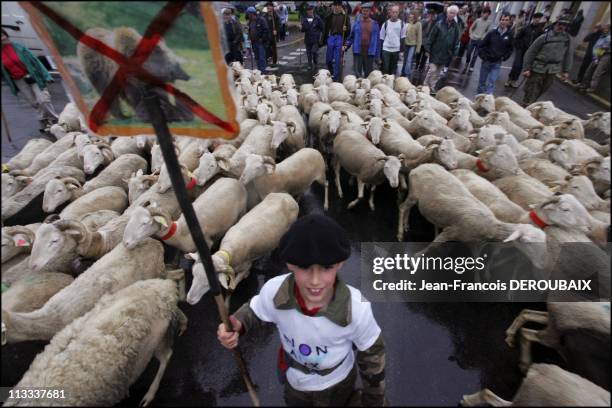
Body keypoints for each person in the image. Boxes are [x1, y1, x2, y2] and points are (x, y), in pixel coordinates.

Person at [217, 214, 386, 406]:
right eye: (305, 268)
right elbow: (255, 311)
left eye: (326, 268)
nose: (315, 280)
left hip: (338, 383)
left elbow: (373, 354)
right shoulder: (275, 292)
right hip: (295, 382)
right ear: (290, 264)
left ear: (339, 264)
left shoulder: (357, 307)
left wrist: (374, 400)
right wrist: (237, 324)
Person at [2, 28, 58, 132]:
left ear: (6, 35)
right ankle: (45, 121)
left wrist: (47, 75)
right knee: (34, 102)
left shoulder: (19, 47)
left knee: (43, 100)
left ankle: (55, 119)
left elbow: (35, 61)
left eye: (2, 35)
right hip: (19, 80)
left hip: (32, 76)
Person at [522, 17, 573, 106]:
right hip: (538, 68)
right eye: (559, 24)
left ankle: (531, 104)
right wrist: (526, 68)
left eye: (564, 25)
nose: (561, 27)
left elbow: (569, 55)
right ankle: (527, 106)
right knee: (531, 90)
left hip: (552, 70)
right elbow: (530, 52)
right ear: (555, 24)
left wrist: (566, 71)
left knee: (543, 89)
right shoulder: (544, 37)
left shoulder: (567, 39)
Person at [423, 5, 460, 93]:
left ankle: (432, 86)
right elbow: (431, 37)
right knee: (432, 70)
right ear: (447, 13)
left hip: (446, 53)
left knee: (438, 72)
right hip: (435, 51)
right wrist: (427, 49)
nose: (452, 15)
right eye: (451, 13)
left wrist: (455, 53)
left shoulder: (456, 27)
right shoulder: (439, 24)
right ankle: (425, 85)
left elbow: (456, 41)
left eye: (454, 14)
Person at [476, 13, 513, 95]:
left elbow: (510, 48)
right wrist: (484, 56)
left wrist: (505, 57)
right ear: (500, 21)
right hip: (487, 61)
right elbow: (481, 45)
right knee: (482, 82)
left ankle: (488, 100)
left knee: (492, 82)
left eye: (506, 20)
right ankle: (479, 99)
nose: (504, 22)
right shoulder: (492, 33)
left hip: (497, 63)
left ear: (509, 22)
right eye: (502, 20)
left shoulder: (509, 35)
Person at [505, 12, 544, 88]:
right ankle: (509, 78)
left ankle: (514, 80)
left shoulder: (540, 31)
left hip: (529, 51)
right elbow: (517, 37)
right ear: (533, 19)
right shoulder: (526, 27)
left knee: (521, 66)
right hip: (520, 49)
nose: (537, 20)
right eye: (536, 18)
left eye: (539, 19)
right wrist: (517, 45)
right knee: (516, 64)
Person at [344, 2, 380, 78]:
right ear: (361, 11)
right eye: (363, 10)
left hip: (370, 53)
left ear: (370, 12)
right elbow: (351, 37)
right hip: (358, 52)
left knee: (369, 75)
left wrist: (377, 56)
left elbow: (377, 42)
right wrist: (346, 45)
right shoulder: (357, 24)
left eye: (367, 11)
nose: (365, 12)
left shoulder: (375, 24)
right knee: (357, 75)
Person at [323, 1, 351, 82]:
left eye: (339, 5)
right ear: (333, 6)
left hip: (340, 37)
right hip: (331, 37)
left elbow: (349, 32)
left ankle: (335, 78)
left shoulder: (345, 16)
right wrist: (323, 40)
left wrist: (346, 29)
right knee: (328, 59)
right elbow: (325, 21)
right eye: (336, 5)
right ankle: (331, 73)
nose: (337, 7)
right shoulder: (330, 16)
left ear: (341, 6)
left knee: (338, 59)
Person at [579, 23, 610, 93]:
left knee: (597, 72)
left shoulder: (608, 38)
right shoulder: (601, 36)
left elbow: (603, 47)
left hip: (604, 55)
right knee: (589, 70)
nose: (603, 30)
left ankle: (591, 87)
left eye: (605, 29)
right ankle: (584, 84)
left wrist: (597, 56)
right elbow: (596, 45)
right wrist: (596, 56)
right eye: (603, 28)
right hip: (597, 54)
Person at [379, 4, 407, 75]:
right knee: (385, 68)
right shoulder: (385, 24)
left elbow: (402, 38)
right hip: (386, 49)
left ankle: (391, 83)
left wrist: (402, 51)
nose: (394, 14)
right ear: (390, 12)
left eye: (396, 12)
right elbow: (381, 38)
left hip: (396, 49)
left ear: (398, 13)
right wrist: (380, 52)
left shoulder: (402, 24)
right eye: (393, 12)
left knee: (393, 68)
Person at [463, 7, 491, 72]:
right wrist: (470, 34)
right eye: (485, 13)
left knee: (475, 55)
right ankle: (467, 63)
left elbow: (487, 31)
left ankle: (472, 66)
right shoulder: (478, 20)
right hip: (473, 39)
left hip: (480, 40)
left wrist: (483, 37)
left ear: (489, 14)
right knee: (468, 53)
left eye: (488, 14)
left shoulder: (489, 22)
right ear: (482, 13)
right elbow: (471, 28)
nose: (486, 15)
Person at [246, 7, 270, 73]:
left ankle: (264, 72)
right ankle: (259, 72)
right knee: (257, 58)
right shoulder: (250, 22)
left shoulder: (261, 20)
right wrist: (249, 38)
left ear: (252, 14)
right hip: (254, 42)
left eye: (249, 14)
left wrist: (262, 39)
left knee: (262, 58)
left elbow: (266, 30)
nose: (248, 15)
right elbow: (250, 30)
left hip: (261, 43)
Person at [301, 4, 325, 70]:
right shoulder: (304, 19)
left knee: (314, 52)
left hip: (315, 39)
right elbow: (303, 30)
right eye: (308, 10)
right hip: (308, 39)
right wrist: (301, 28)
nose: (310, 12)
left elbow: (322, 27)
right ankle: (309, 65)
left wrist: (321, 36)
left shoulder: (317, 18)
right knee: (308, 53)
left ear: (313, 10)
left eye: (311, 10)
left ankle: (315, 62)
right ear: (307, 11)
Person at [401, 11, 422, 79]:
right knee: (405, 60)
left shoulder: (418, 24)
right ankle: (403, 73)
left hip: (413, 45)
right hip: (406, 44)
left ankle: (407, 75)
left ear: (415, 16)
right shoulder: (408, 23)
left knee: (409, 60)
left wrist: (418, 48)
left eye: (412, 15)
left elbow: (419, 36)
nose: (410, 16)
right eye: (410, 15)